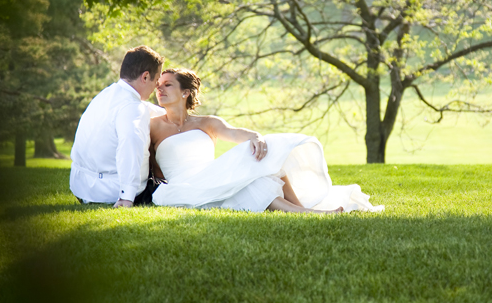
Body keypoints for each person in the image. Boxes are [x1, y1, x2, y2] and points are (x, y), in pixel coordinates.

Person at [150, 68, 384, 214]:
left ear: (185, 93)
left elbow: (233, 134)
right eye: (158, 86)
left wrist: (255, 137)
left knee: (266, 155)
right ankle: (307, 213)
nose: (160, 90)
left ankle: (302, 210)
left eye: (167, 85)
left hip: (213, 175)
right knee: (256, 184)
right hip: (183, 186)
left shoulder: (206, 123)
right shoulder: (153, 125)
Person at [70, 45, 166, 208]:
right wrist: (126, 196)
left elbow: (145, 108)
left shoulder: (106, 95)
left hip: (83, 187)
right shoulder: (133, 108)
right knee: (172, 191)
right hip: (111, 192)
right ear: (145, 77)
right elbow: (129, 147)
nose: (156, 87)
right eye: (156, 81)